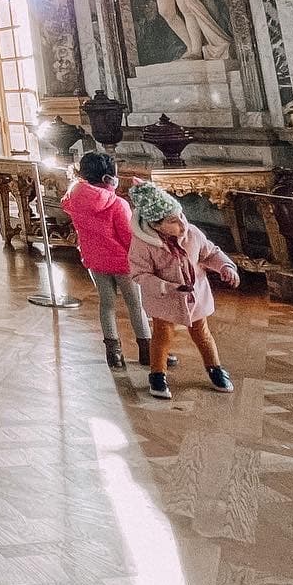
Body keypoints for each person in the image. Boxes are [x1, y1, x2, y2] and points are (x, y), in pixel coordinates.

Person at [128, 183, 240, 400]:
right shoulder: (143, 244)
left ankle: (215, 369)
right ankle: (158, 376)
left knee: (202, 333)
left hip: (195, 296)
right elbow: (140, 274)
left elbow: (209, 253)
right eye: (173, 221)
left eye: (181, 215)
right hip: (165, 299)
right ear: (156, 224)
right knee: (162, 334)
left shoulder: (193, 234)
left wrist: (226, 266)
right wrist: (166, 287)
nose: (182, 223)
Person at [61, 152, 154, 369]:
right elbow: (129, 238)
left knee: (107, 304)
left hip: (95, 261)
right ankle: (147, 352)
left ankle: (114, 355)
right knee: (135, 305)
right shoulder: (117, 204)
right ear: (108, 178)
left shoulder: (74, 199)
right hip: (123, 263)